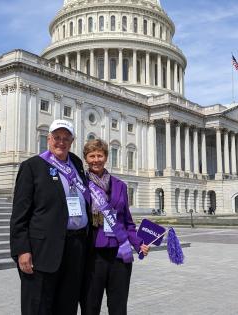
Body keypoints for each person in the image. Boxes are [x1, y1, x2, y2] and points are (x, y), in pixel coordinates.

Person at [10, 119, 90, 315]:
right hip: (42, 251)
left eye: (66, 138)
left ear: (72, 141)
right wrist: (22, 250)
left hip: (75, 248)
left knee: (67, 306)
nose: (61, 142)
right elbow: (19, 214)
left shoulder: (77, 163)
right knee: (38, 307)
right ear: (48, 139)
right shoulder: (32, 166)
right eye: (57, 137)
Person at [81, 139, 149, 315]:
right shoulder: (81, 185)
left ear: (106, 157)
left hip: (119, 253)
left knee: (118, 307)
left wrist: (138, 243)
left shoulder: (120, 185)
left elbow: (127, 220)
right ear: (86, 159)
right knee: (90, 306)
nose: (96, 159)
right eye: (92, 156)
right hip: (92, 254)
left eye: (100, 155)